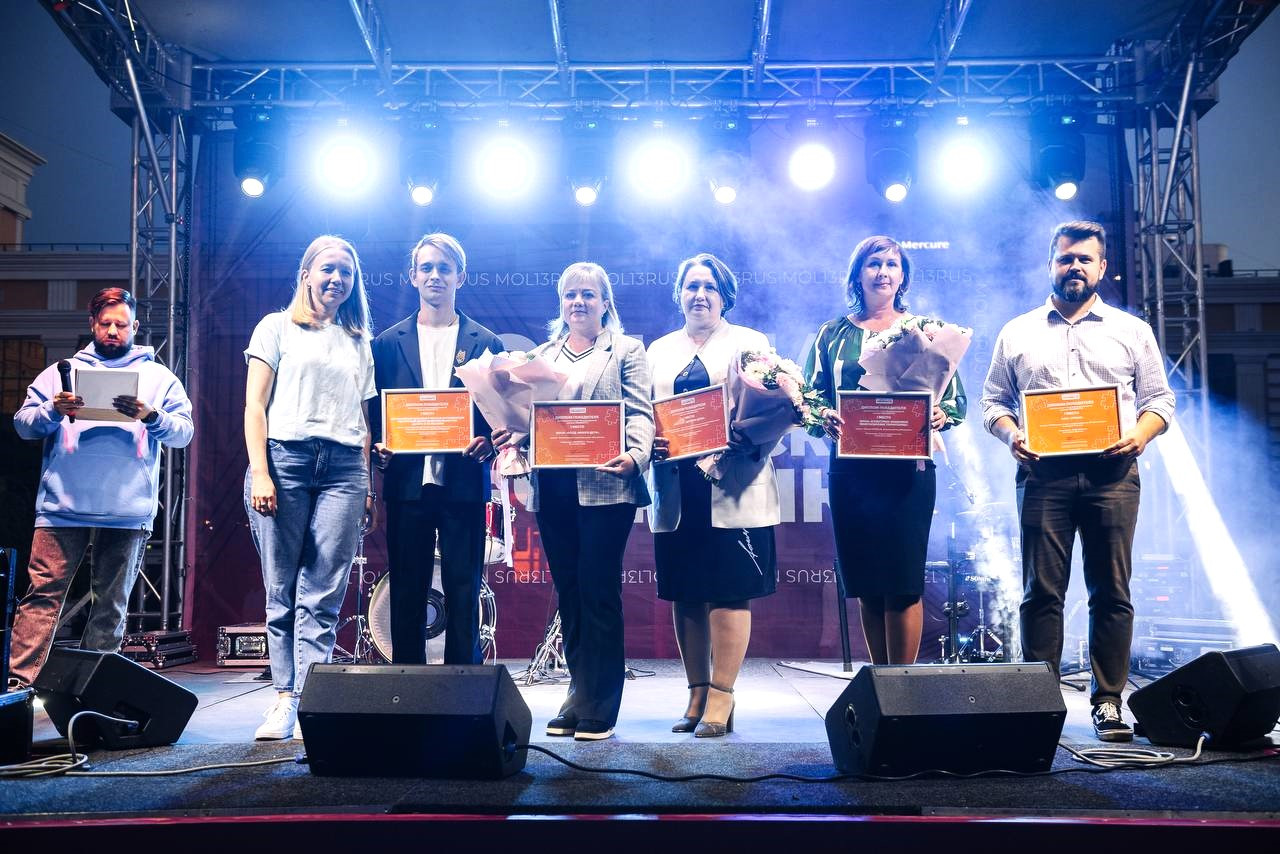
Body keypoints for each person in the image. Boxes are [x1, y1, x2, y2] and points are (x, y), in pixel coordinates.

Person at [980, 220, 1174, 742]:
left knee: (1111, 591)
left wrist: (1140, 435)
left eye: (1085, 259)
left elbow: (1160, 400)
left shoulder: (1132, 330)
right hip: (1043, 476)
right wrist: (1011, 435)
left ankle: (1108, 701)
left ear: (1102, 268)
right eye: (1066, 258)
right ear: (1051, 264)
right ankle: (1037, 704)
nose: (1075, 267)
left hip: (1113, 475)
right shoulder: (1017, 331)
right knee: (1041, 593)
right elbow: (992, 402)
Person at [8, 287, 194, 689]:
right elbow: (23, 426)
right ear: (92, 324)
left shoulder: (158, 378)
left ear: (135, 326)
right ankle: (19, 689)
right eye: (106, 323)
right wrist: (53, 410)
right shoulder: (60, 372)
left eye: (121, 325)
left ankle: (90, 692)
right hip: (62, 507)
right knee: (42, 598)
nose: (112, 331)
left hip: (127, 510)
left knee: (110, 606)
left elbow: (183, 433)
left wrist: (151, 415)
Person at [499, 261, 653, 741]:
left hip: (607, 484)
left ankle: (601, 702)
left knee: (598, 590)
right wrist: (513, 436)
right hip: (555, 487)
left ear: (605, 302)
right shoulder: (541, 355)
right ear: (561, 303)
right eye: (570, 295)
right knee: (569, 591)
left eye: (588, 294)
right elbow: (528, 421)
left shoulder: (626, 350)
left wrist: (636, 454)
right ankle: (578, 692)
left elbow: (640, 412)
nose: (579, 302)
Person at [804, 236, 966, 666]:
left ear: (903, 276)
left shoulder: (927, 332)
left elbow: (955, 399)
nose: (882, 272)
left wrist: (941, 415)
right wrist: (823, 416)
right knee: (868, 584)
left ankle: (904, 687)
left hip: (907, 471)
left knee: (902, 583)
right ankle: (883, 683)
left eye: (892, 264)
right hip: (852, 472)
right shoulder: (832, 334)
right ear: (858, 275)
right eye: (873, 263)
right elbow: (810, 397)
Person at [243, 235, 376, 741]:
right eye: (328, 269)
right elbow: (254, 406)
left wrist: (368, 487)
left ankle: (309, 700)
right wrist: (260, 472)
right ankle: (283, 698)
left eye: (346, 272)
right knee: (281, 587)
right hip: (285, 459)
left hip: (344, 468)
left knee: (324, 590)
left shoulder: (358, 339)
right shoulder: (275, 327)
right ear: (306, 274)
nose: (337, 279)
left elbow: (364, 420)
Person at [646, 253, 779, 738]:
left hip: (733, 483)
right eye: (691, 286)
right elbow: (643, 414)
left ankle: (723, 694)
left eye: (710, 287)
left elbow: (773, 411)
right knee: (685, 594)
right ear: (678, 294)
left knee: (729, 590)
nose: (699, 295)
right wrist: (648, 441)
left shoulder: (750, 343)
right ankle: (696, 691)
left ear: (725, 296)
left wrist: (747, 436)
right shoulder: (658, 350)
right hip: (678, 487)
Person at [369, 233, 503, 665]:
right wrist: (377, 448)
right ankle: (407, 684)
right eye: (426, 268)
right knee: (407, 589)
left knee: (464, 590)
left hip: (463, 482)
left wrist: (489, 442)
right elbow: (374, 415)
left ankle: (464, 688)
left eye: (444, 268)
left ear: (460, 277)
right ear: (412, 276)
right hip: (406, 483)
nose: (435, 276)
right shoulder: (385, 344)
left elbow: (500, 415)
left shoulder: (487, 343)